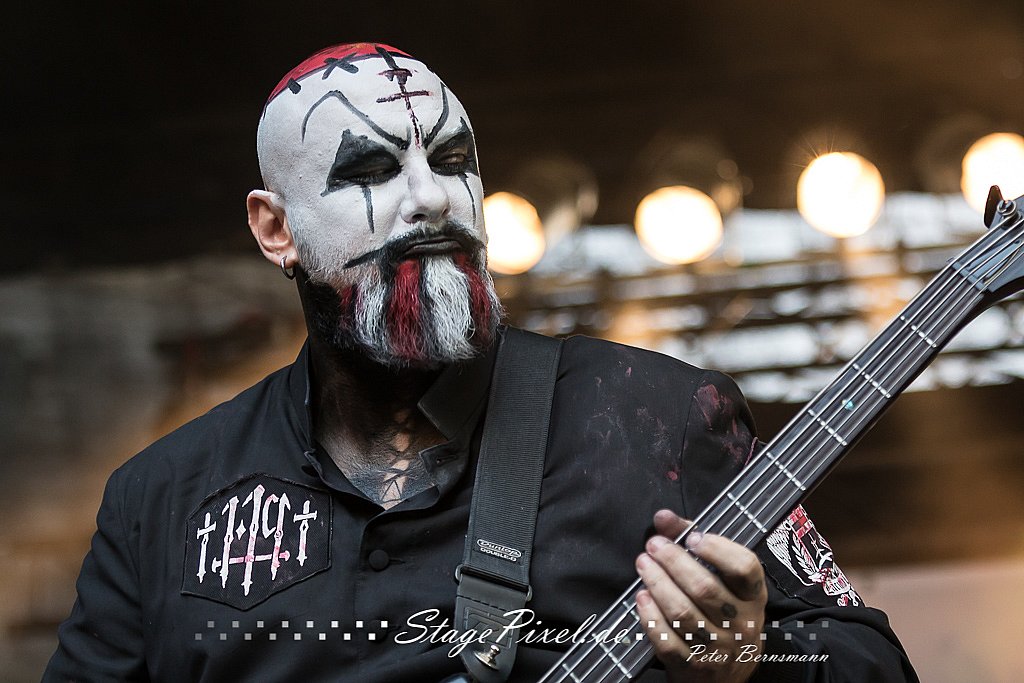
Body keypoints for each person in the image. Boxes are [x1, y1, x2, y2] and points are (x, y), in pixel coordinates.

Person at [44, 43, 918, 682]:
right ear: (276, 229)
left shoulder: (662, 417)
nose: (431, 196)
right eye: (370, 170)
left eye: (453, 159)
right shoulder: (161, 500)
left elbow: (871, 661)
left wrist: (752, 658)